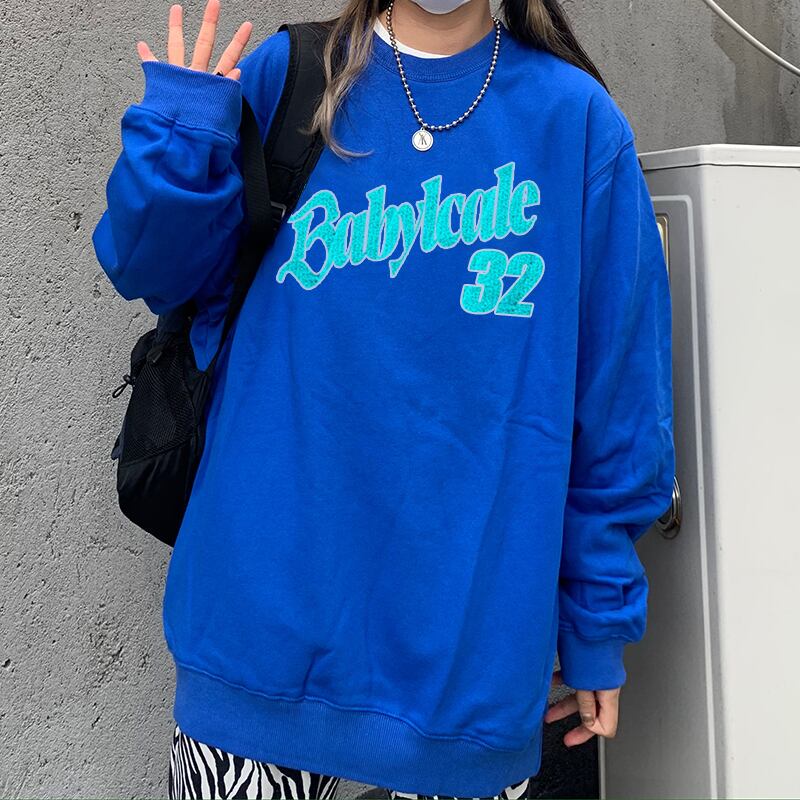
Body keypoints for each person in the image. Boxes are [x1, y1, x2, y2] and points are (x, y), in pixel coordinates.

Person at [91, 0, 675, 797]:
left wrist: (597, 624)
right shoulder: (292, 77)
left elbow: (619, 405)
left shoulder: (575, 121)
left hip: (467, 663)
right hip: (258, 637)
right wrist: (179, 134)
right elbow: (153, 274)